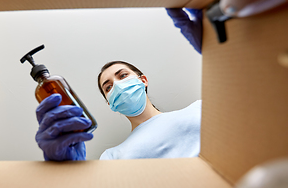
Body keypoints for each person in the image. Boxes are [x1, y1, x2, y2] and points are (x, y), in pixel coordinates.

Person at [35, 8, 203, 161]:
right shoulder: (112, 156)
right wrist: (67, 169)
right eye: (108, 87)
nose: (117, 86)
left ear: (143, 80)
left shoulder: (199, 109)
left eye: (123, 75)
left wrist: (216, 51)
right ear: (110, 103)